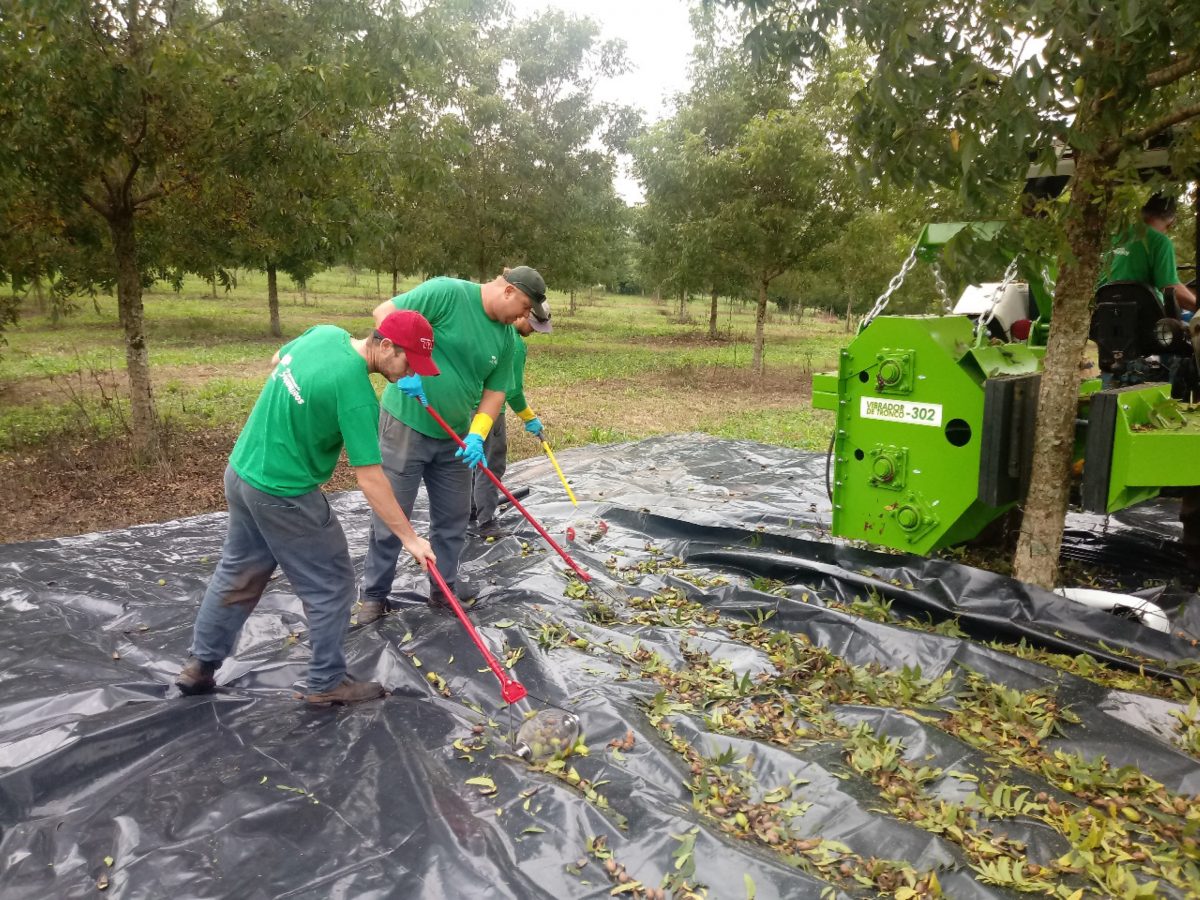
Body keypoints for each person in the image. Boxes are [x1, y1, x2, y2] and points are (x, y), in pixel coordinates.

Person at [175, 311, 439, 705]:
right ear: (386, 346)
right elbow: (370, 479)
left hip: (243, 472)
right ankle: (326, 681)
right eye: (407, 362)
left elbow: (279, 358)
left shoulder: (325, 334)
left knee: (238, 571)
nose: (407, 374)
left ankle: (199, 667)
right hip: (284, 492)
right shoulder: (356, 396)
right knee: (331, 584)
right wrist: (411, 538)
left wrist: (300, 402)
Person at [357, 266, 550, 623]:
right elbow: (385, 313)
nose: (525, 317)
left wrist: (477, 433)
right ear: (508, 291)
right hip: (406, 423)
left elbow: (496, 392)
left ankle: (442, 587)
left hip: (455, 440)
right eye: (524, 307)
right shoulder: (447, 293)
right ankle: (374, 594)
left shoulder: (507, 339)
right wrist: (406, 372)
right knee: (392, 512)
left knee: (453, 517)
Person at [472, 304, 552, 539]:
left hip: (467, 405)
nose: (534, 331)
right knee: (491, 465)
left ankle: (470, 511)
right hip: (489, 411)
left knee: (473, 461)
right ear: (523, 312)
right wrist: (530, 418)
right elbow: (512, 391)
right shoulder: (514, 345)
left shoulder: (490, 331)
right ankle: (486, 521)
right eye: (533, 325)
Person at [1102, 194, 1197, 311]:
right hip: (1144, 317)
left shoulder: (1118, 235)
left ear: (1143, 212)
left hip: (1106, 312)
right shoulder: (1160, 241)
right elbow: (1170, 288)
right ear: (1172, 221)